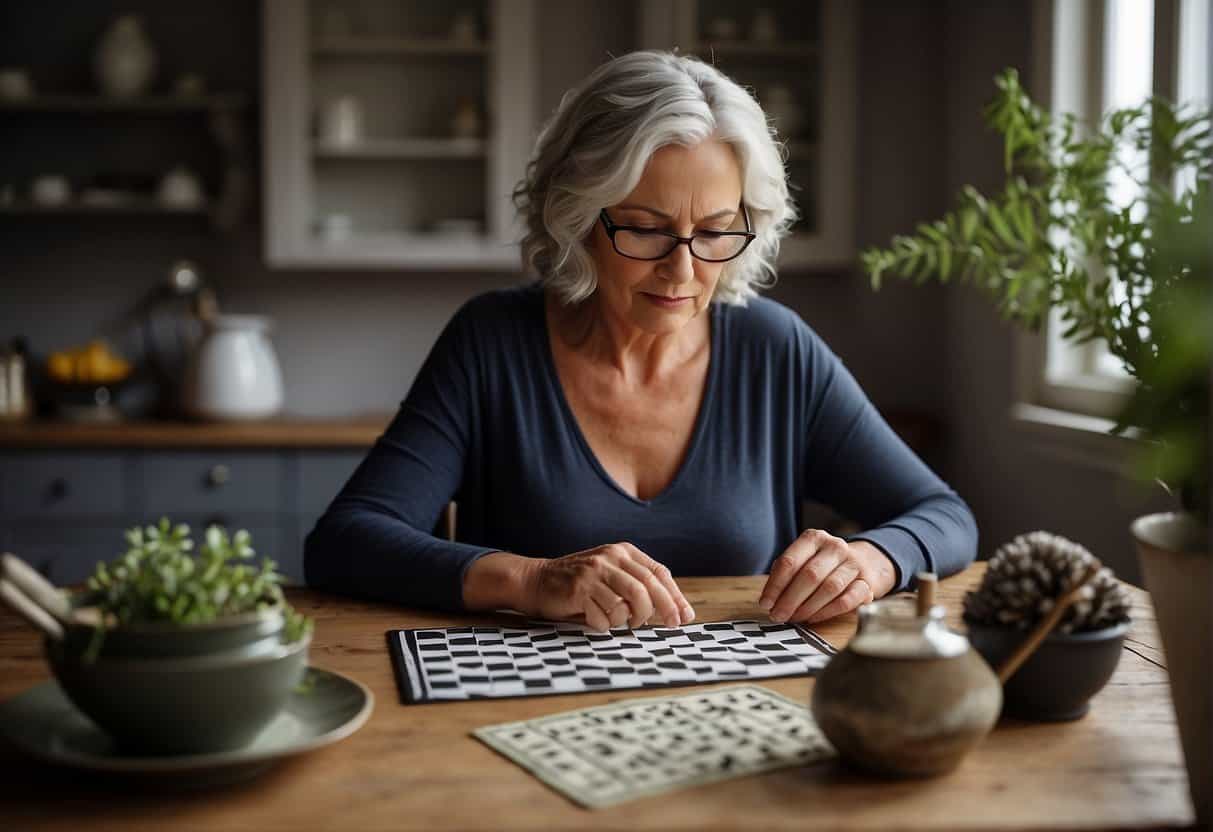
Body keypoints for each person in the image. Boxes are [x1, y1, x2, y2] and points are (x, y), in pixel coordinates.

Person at [305, 51, 977, 632]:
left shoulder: (774, 350)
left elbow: (942, 516)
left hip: (739, 705)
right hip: (525, 705)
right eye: (645, 229)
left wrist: (870, 559)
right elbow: (345, 542)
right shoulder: (492, 342)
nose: (683, 271)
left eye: (715, 231)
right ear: (576, 218)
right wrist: (533, 581)